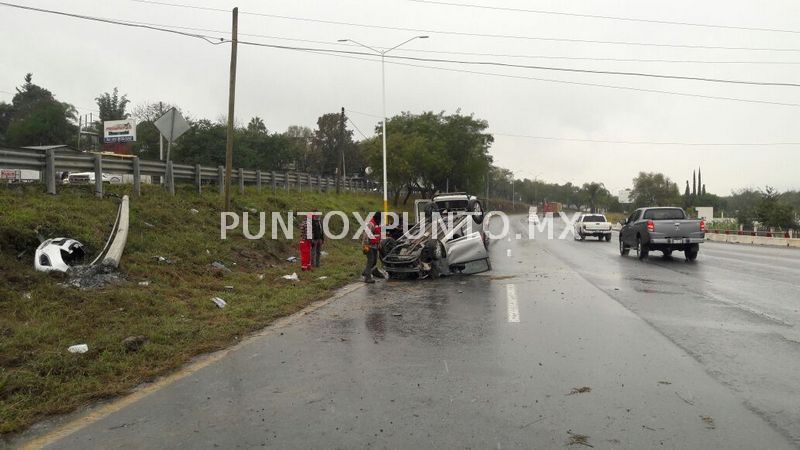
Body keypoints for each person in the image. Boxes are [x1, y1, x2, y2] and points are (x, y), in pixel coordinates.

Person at [362, 212, 381, 283]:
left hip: (374, 246)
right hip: (369, 246)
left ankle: (365, 272)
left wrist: (379, 243)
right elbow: (366, 236)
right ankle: (367, 278)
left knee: (374, 261)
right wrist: (366, 246)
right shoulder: (371, 224)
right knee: (371, 260)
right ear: (377, 218)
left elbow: (377, 235)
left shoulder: (376, 224)